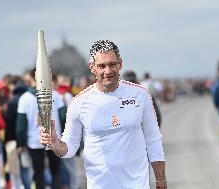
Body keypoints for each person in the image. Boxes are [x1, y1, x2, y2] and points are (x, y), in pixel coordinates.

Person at [40, 40, 167, 189]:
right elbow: (70, 149)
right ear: (92, 67)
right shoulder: (79, 103)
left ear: (120, 64)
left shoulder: (140, 95)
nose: (108, 71)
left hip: (137, 184)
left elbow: (153, 140)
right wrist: (55, 144)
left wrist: (161, 180)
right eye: (101, 66)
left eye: (112, 64)